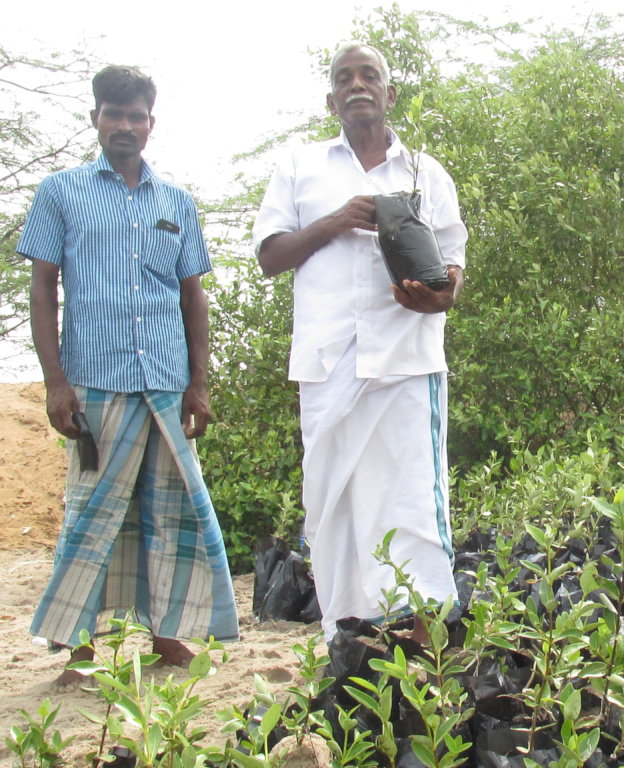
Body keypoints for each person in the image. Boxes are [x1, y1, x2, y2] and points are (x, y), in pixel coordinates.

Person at [17, 65, 238, 690]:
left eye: (135, 115)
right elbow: (43, 289)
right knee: (92, 514)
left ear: (150, 123)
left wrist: (200, 383)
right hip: (96, 382)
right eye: (113, 114)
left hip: (166, 383)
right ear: (96, 119)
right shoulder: (61, 192)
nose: (124, 125)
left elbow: (192, 296)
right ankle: (80, 648)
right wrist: (55, 384)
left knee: (173, 513)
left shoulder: (176, 203)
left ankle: (167, 637)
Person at [253, 43, 467, 644]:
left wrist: (437, 295)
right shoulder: (300, 168)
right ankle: (346, 639)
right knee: (333, 507)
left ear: (389, 93)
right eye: (344, 78)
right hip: (327, 367)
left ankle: (427, 642)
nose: (357, 85)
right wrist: (337, 220)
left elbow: (453, 266)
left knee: (412, 506)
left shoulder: (426, 172)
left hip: (405, 363)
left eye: (369, 75)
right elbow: (271, 255)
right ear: (330, 100)